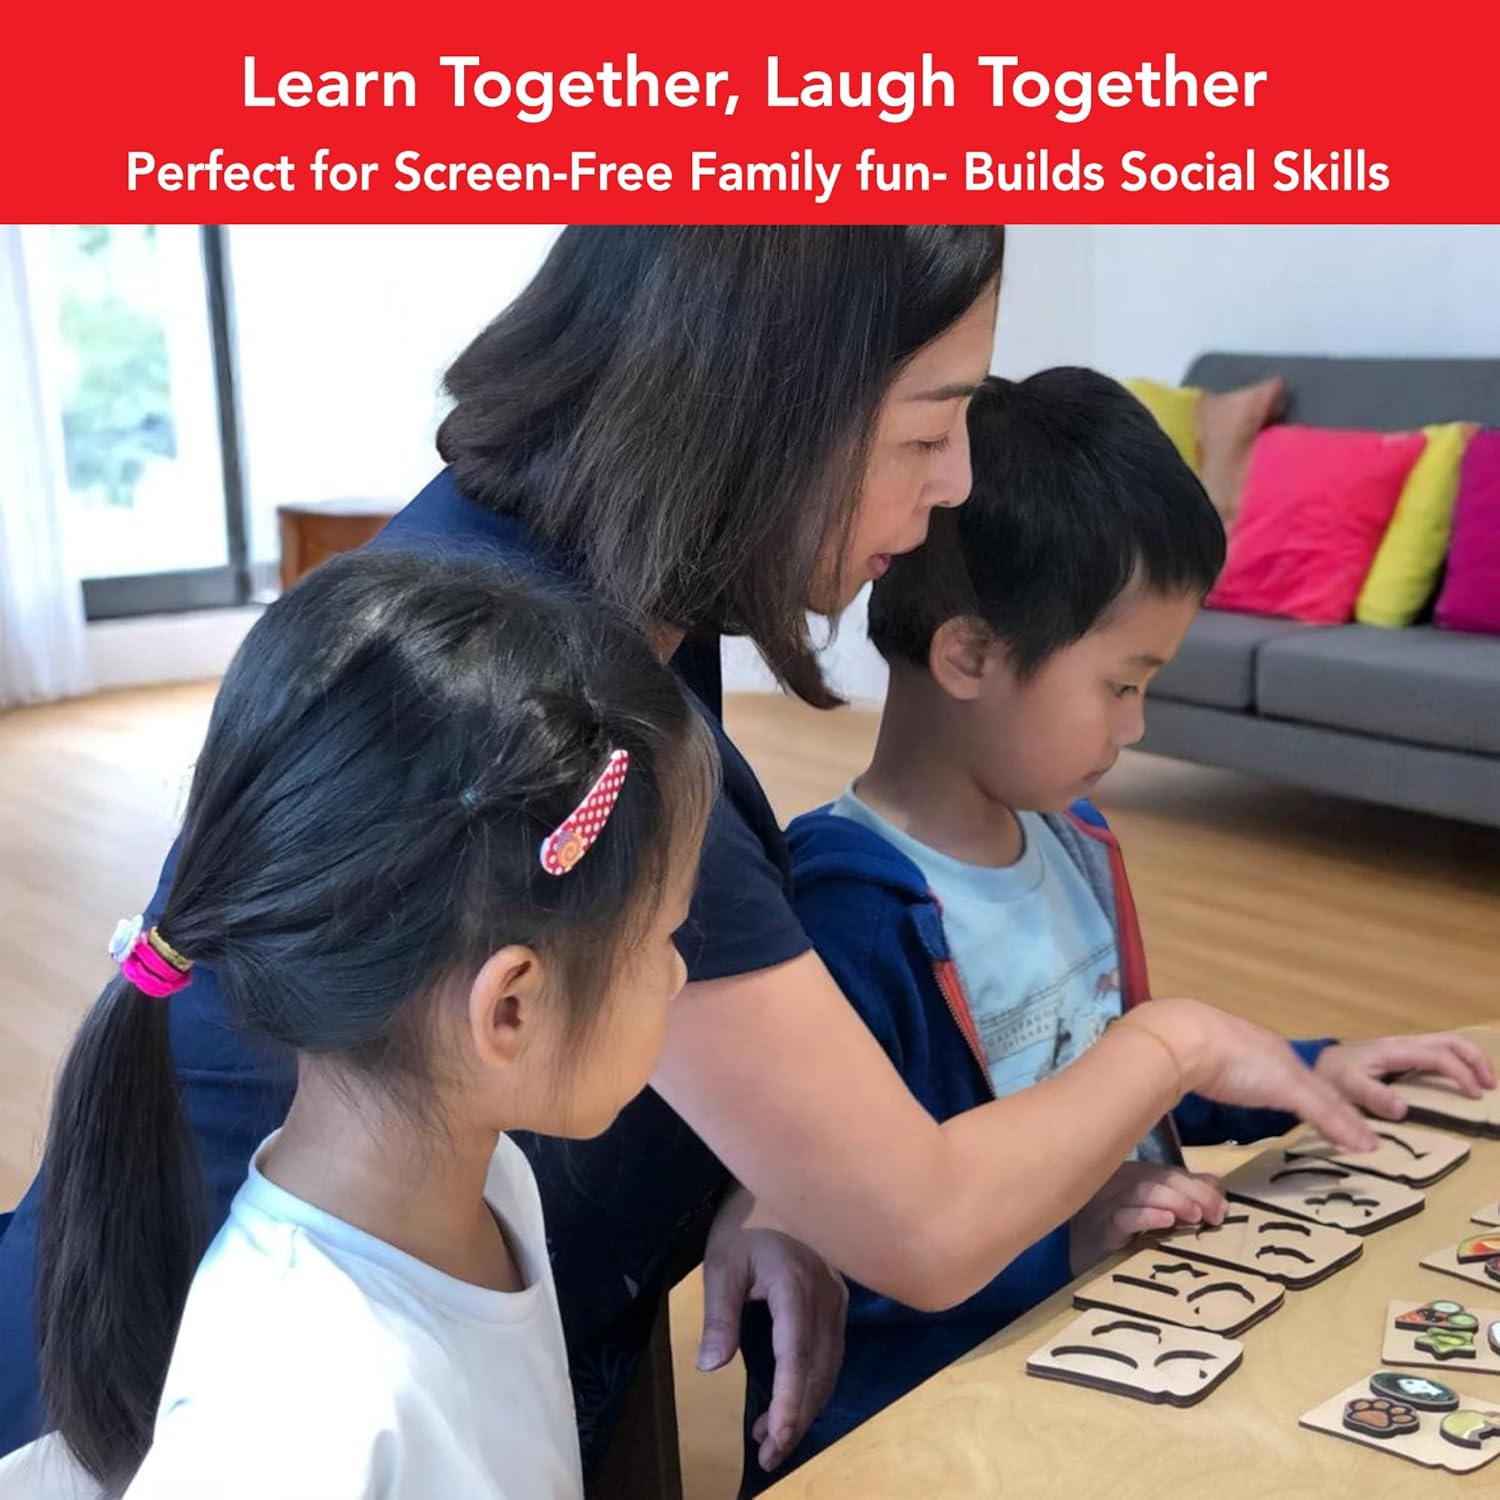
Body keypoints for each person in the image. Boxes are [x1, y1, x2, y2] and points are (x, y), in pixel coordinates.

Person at [0, 229, 1378, 1487]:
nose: (954, 483)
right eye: (930, 428)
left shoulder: (607, 585)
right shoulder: (564, 712)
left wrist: (757, 1173)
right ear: (761, 411)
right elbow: (925, 1223)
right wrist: (1179, 1044)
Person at [738, 368, 1496, 1483]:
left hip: (1120, 1347)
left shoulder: (1075, 839)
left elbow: (1121, 1075)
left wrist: (1315, 1065)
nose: (1136, 727)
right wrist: (1068, 1241)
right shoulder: (847, 911)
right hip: (946, 1432)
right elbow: (861, 1249)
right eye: (1122, 684)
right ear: (971, 655)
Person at [22, 551, 718, 1498]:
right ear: (508, 1006)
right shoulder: (296, 1420)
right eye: (666, 937)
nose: (679, 972)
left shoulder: (490, 1183)